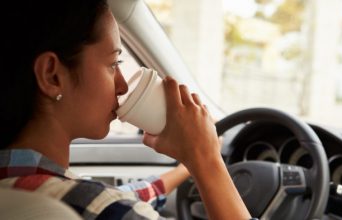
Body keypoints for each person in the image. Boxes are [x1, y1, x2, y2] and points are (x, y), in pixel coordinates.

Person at [0, 0, 253, 219]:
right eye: (113, 64)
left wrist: (186, 168)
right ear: (52, 75)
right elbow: (106, 203)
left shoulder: (21, 187)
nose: (121, 86)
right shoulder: (103, 208)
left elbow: (118, 198)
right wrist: (206, 160)